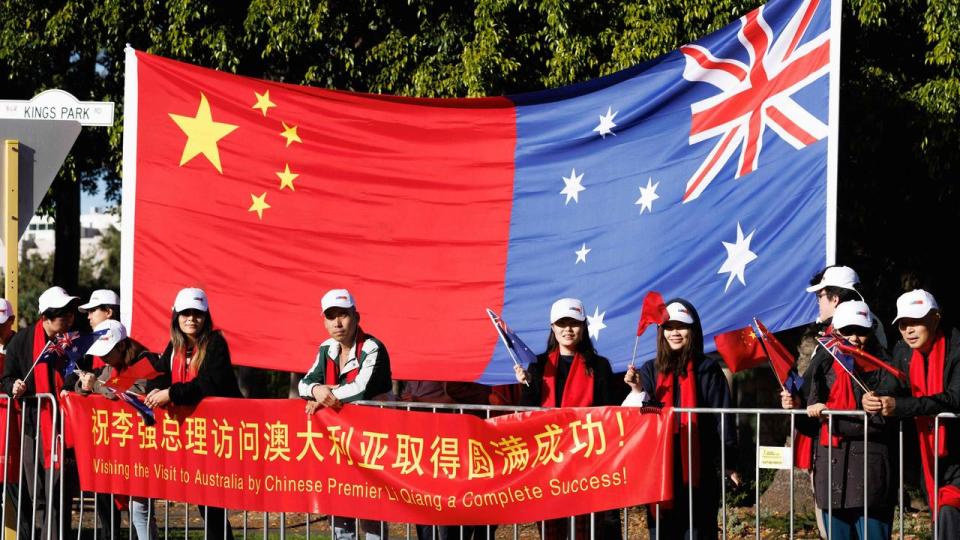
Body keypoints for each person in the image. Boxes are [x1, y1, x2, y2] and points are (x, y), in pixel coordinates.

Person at [782, 301, 897, 539]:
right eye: (847, 331)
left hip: (870, 472)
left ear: (871, 331)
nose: (854, 338)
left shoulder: (884, 363)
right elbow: (807, 425)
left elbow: (890, 417)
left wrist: (840, 413)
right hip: (831, 471)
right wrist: (796, 407)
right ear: (836, 332)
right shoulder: (823, 361)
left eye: (861, 331)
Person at [623, 299, 737, 540]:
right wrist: (637, 390)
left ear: (692, 331)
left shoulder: (708, 369)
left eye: (681, 327)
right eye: (668, 327)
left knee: (699, 530)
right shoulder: (649, 370)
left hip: (700, 467)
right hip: (659, 469)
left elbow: (723, 417)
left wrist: (729, 461)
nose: (674, 332)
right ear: (661, 332)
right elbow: (640, 420)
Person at [514, 297, 620, 540]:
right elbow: (526, 412)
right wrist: (527, 386)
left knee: (585, 529)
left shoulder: (600, 365)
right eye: (562, 323)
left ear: (583, 327)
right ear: (552, 327)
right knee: (552, 528)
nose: (568, 329)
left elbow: (608, 412)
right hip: (547, 461)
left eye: (574, 323)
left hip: (587, 460)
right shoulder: (538, 365)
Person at [144, 287, 241, 540]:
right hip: (190, 437)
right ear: (176, 316)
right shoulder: (174, 346)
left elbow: (208, 384)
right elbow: (155, 378)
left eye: (197, 314)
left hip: (219, 437)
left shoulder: (215, 343)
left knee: (213, 504)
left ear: (206, 317)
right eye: (185, 313)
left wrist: (171, 394)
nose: (191, 319)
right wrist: (158, 392)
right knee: (205, 504)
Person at [862, 289, 960, 538]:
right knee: (941, 513)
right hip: (929, 456)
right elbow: (891, 386)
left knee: (949, 509)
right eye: (903, 324)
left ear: (936, 317)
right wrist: (874, 398)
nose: (909, 330)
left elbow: (954, 399)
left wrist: (900, 406)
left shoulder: (957, 347)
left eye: (916, 321)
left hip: (957, 452)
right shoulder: (902, 351)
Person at [298, 289, 392, 540]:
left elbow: (361, 388)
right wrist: (317, 389)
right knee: (340, 510)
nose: (337, 323)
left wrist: (325, 395)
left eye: (343, 315)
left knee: (372, 513)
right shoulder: (326, 348)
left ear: (356, 317)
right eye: (331, 317)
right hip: (338, 445)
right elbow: (304, 384)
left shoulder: (373, 347)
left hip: (372, 445)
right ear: (324, 321)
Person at [66, 319, 159, 540]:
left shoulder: (148, 360)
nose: (104, 358)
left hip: (149, 445)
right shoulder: (111, 365)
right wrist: (85, 385)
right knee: (140, 512)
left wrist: (96, 384)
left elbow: (123, 391)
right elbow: (99, 383)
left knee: (140, 511)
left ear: (122, 345)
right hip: (128, 448)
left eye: (108, 352)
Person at [0, 286, 80, 540]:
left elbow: (76, 373)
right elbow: (5, 378)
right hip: (31, 426)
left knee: (59, 491)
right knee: (38, 493)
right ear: (46, 316)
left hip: (64, 428)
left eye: (70, 313)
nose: (68, 318)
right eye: (62, 314)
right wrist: (13, 385)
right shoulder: (22, 342)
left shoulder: (73, 341)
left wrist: (79, 384)